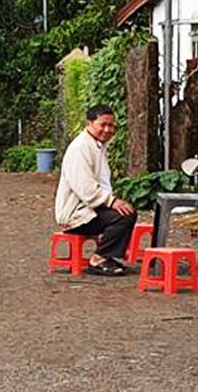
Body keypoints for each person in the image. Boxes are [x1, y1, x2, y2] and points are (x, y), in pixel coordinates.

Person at [54, 104, 136, 276]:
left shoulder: (97, 146)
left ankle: (107, 255)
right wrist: (112, 201)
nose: (107, 130)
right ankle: (99, 258)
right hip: (75, 215)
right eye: (103, 125)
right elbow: (86, 189)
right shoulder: (80, 148)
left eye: (111, 125)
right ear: (90, 123)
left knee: (126, 211)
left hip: (90, 208)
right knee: (123, 216)